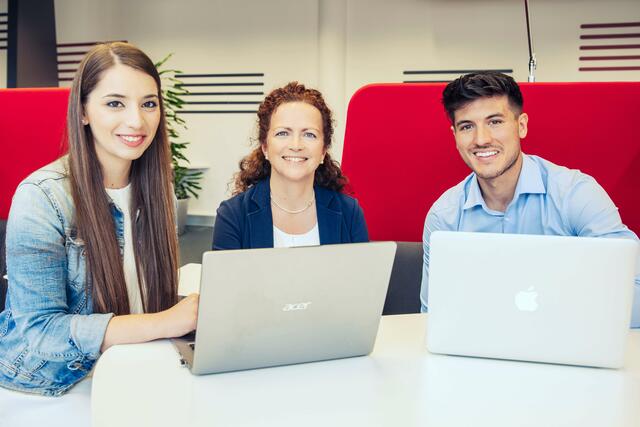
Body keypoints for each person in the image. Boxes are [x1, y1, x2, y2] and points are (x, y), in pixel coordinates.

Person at [0, 43, 198, 396]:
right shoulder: (41, 197)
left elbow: (145, 298)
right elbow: (43, 333)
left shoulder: (157, 188)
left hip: (132, 368)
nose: (137, 120)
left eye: (148, 104)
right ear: (83, 112)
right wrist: (167, 321)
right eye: (115, 103)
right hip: (57, 383)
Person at [419, 71, 640, 327]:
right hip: (480, 355)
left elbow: (634, 289)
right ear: (455, 136)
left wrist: (555, 313)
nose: (481, 139)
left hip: (567, 350)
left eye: (495, 122)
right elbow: (431, 316)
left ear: (521, 126)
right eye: (467, 126)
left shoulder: (575, 194)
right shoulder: (444, 217)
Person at [212, 82, 368, 249]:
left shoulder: (349, 213)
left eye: (309, 134)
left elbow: (363, 275)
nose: (296, 145)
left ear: (323, 151)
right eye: (283, 133)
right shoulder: (233, 215)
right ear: (265, 147)